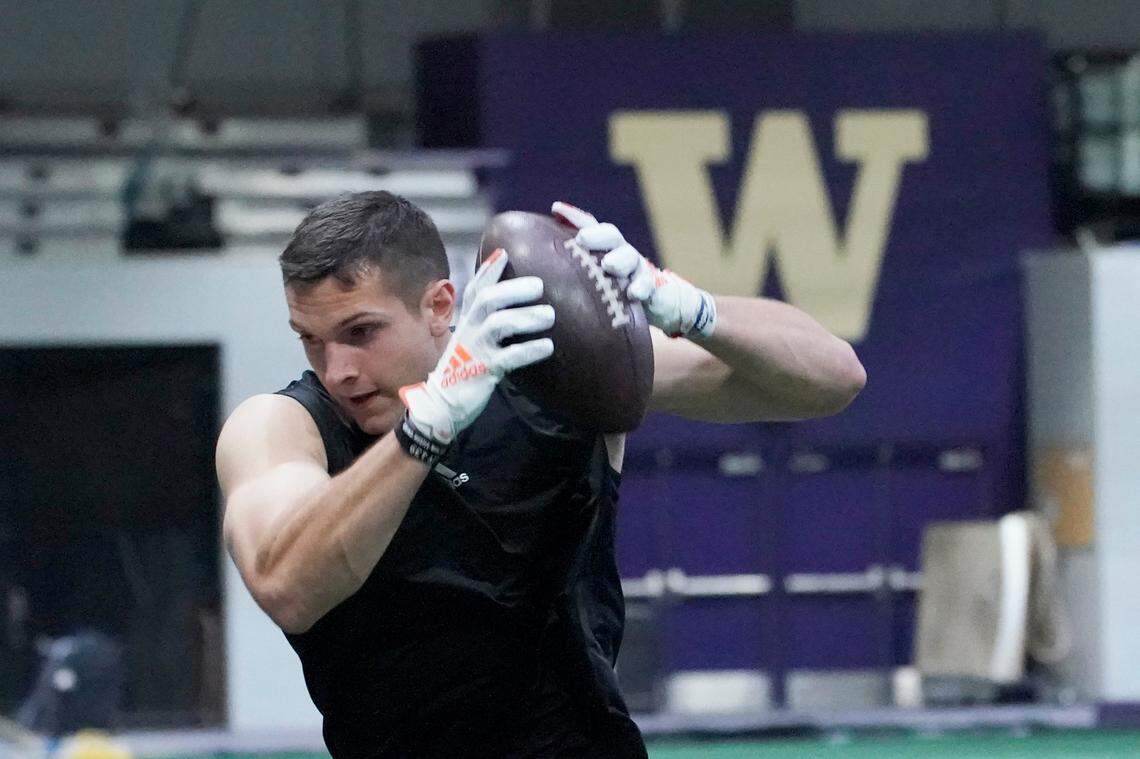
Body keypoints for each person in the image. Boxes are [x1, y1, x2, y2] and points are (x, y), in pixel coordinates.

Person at [215, 192, 866, 758]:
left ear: (440, 304)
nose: (339, 370)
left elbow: (833, 380)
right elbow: (288, 585)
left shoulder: (558, 380)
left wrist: (684, 305)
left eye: (361, 332)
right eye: (312, 339)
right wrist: (428, 423)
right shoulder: (280, 427)